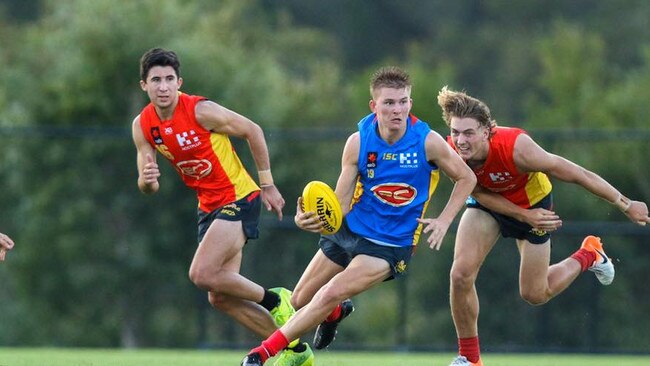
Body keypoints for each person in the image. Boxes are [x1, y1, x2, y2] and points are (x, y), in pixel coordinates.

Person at [240, 67, 477, 366]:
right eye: (389, 103)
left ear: (410, 104)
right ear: (373, 106)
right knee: (299, 300)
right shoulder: (358, 142)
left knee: (329, 292)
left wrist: (444, 220)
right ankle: (336, 312)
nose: (397, 109)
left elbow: (467, 178)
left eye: (403, 102)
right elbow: (340, 206)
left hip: (389, 244)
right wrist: (309, 219)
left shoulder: (427, 141)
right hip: (350, 230)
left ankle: (259, 355)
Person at [436, 86, 650, 366]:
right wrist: (518, 215)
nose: (460, 141)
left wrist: (625, 204)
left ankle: (589, 254)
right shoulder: (449, 151)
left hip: (534, 206)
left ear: (488, 131)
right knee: (460, 275)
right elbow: (475, 191)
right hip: (490, 206)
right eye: (455, 132)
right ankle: (470, 359)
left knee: (535, 294)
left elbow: (577, 174)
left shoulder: (517, 148)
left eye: (468, 133)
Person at [131, 48, 313, 366]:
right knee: (220, 297)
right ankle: (294, 351)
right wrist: (147, 179)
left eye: (169, 79)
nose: (163, 87)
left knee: (201, 273)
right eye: (156, 80)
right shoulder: (144, 126)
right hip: (208, 206)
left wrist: (267, 184)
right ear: (144, 85)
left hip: (239, 197)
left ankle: (276, 298)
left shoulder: (201, 110)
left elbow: (252, 130)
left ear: (179, 82)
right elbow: (149, 186)